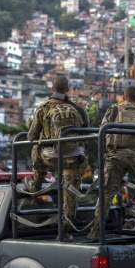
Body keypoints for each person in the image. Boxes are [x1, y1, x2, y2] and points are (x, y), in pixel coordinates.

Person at [88, 85, 135, 240]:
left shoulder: (112, 111)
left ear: (122, 97)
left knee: (106, 194)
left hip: (115, 157)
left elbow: (101, 135)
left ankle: (95, 231)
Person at [27, 76, 89, 241]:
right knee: (70, 198)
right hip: (73, 157)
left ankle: (37, 185)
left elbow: (32, 136)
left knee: (36, 149)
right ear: (68, 90)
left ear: (52, 89)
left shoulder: (43, 108)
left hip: (52, 157)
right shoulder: (78, 107)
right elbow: (87, 130)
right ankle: (64, 232)